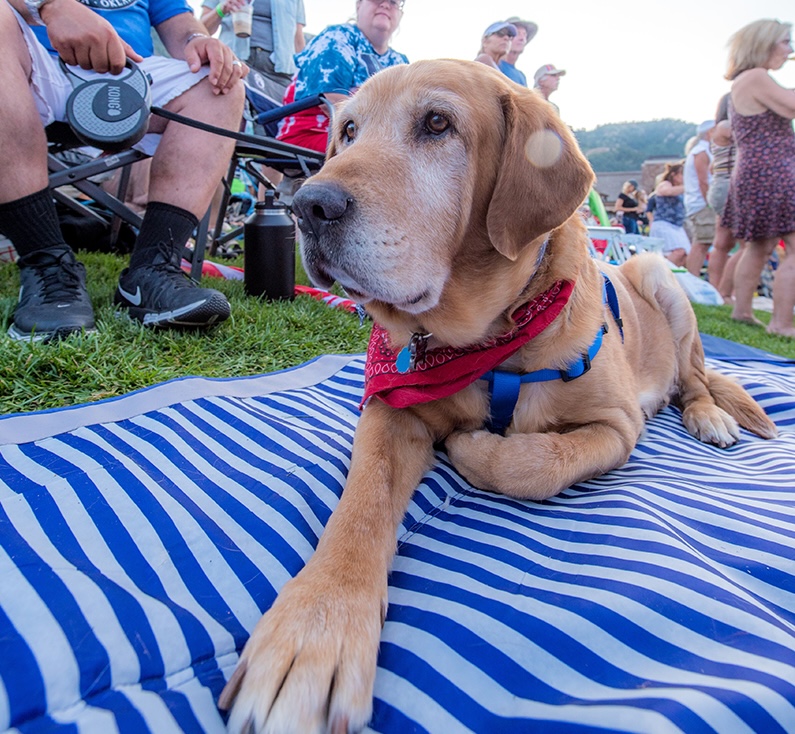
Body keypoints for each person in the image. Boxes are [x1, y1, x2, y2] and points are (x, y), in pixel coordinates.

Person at [0, 0, 248, 342]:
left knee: (220, 80)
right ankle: (46, 264)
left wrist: (198, 40)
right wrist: (51, 6)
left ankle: (153, 269)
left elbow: (179, 24)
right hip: (30, 62)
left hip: (131, 74)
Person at [722, 19, 795, 336]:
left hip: (754, 170)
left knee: (758, 246)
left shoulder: (743, 80)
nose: (790, 49)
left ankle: (742, 311)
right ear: (764, 44)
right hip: (774, 168)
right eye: (785, 42)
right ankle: (781, 323)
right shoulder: (756, 77)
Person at [276, 0, 408, 153]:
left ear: (400, 13)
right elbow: (330, 101)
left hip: (376, 140)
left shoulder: (400, 61)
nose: (385, 5)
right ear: (359, 5)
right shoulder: (337, 38)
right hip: (314, 132)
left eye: (393, 2)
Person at [200, 0, 305, 103]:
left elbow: (298, 39)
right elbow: (201, 29)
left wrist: (304, 75)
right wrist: (221, 9)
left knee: (282, 115)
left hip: (281, 71)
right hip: (236, 63)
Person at [706, 93, 741, 302]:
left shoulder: (717, 130)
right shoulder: (728, 126)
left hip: (720, 185)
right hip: (731, 186)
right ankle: (726, 292)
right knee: (747, 245)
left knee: (722, 243)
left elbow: (713, 166)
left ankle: (715, 291)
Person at [683, 119, 716, 277]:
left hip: (699, 203)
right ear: (710, 132)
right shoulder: (701, 152)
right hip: (702, 204)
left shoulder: (700, 151)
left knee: (703, 242)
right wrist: (711, 203)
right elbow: (703, 181)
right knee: (702, 243)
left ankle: (694, 279)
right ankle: (693, 279)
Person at [649, 161, 691, 267]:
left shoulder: (680, 189)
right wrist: (689, 186)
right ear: (674, 174)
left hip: (677, 225)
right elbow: (667, 191)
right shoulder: (665, 184)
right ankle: (664, 272)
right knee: (679, 251)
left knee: (686, 255)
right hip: (664, 224)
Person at [498, 16, 538, 86]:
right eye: (517, 33)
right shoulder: (492, 65)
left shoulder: (521, 76)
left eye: (525, 34)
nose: (522, 38)